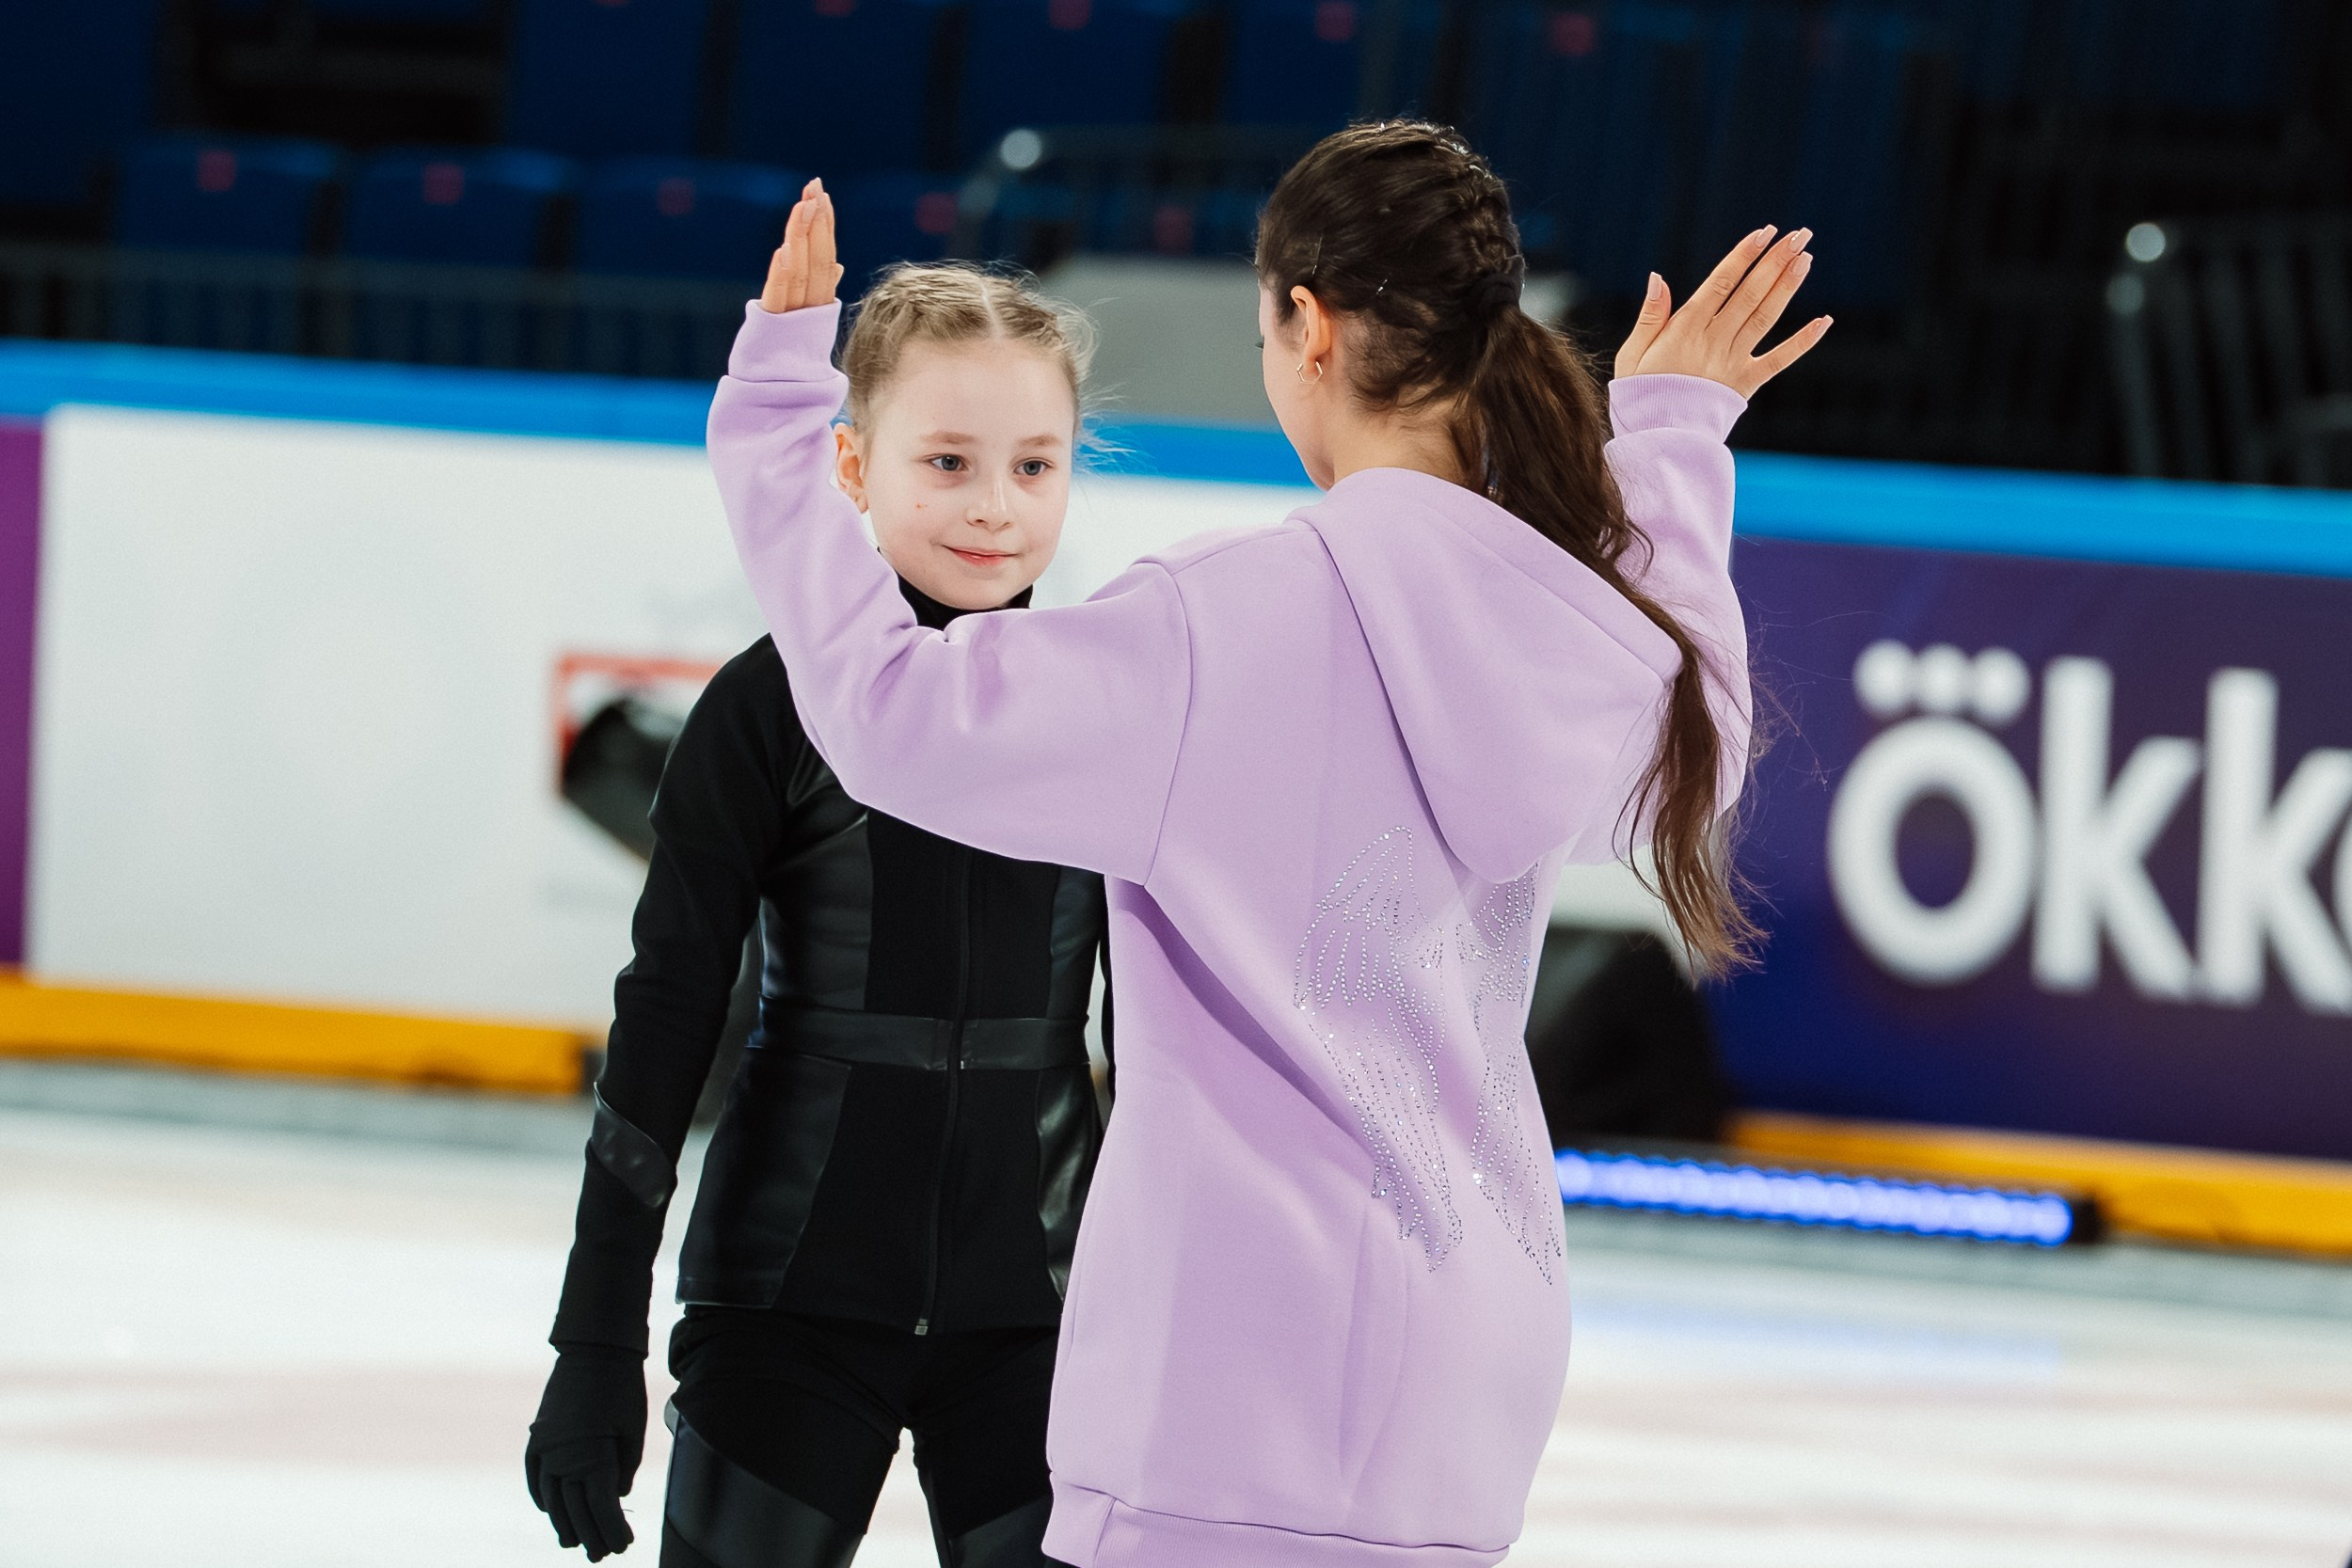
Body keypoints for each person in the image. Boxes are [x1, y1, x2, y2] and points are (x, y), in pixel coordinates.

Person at [708, 122, 1828, 1566]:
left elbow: (889, 715)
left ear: (1308, 323)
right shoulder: (1563, 622)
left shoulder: (1212, 629)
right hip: (1465, 1391)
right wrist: (1670, 444)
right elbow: (1698, 729)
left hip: (1228, 1394)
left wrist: (778, 409)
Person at [525, 263, 1117, 1568]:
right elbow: (667, 1014)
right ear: (851, 469)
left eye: (1034, 467)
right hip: (787, 1302)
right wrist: (592, 1344)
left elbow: (1174, 1036)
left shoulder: (1107, 705)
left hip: (1046, 1314)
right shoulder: (768, 704)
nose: (993, 508)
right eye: (948, 462)